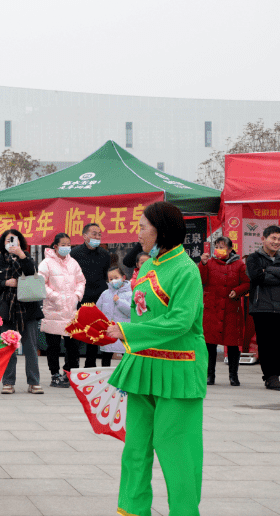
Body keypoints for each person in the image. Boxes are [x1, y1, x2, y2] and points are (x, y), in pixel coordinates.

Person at [105, 201, 206, 516]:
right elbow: (140, 314)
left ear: (161, 230)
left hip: (179, 367)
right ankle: (133, 509)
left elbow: (181, 322)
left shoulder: (186, 270)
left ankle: (184, 511)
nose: (138, 233)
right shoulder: (147, 267)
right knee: (135, 448)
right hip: (144, 365)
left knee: (175, 448)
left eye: (142, 227)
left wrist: (127, 333)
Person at [0, 229, 43, 394]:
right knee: (8, 348)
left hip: (28, 308)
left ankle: (34, 382)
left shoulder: (27, 258)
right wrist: (6, 283)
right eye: (8, 241)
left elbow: (32, 272)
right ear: (2, 244)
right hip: (6, 309)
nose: (11, 244)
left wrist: (21, 254)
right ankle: (8, 382)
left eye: (15, 241)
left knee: (31, 348)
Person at [199, 237, 250, 386]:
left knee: (233, 344)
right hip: (212, 309)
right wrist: (202, 263)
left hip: (231, 309)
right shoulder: (209, 263)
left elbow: (247, 283)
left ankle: (233, 376)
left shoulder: (239, 264)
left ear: (229, 249)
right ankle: (210, 375)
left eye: (222, 247)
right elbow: (201, 280)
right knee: (210, 344)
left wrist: (237, 291)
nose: (218, 249)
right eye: (217, 246)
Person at [38, 232, 85, 388]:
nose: (66, 247)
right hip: (53, 310)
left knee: (72, 345)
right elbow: (41, 284)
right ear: (55, 246)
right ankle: (54, 374)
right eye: (63, 245)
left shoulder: (74, 263)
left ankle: (69, 372)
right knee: (53, 346)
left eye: (68, 244)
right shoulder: (46, 263)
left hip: (71, 311)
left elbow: (81, 281)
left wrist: (77, 295)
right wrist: (56, 297)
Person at [70, 223, 111, 368]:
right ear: (85, 236)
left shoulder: (105, 254)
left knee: (94, 333)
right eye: (94, 234)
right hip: (81, 298)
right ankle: (72, 366)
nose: (97, 237)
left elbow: (105, 274)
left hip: (98, 299)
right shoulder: (74, 253)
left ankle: (90, 365)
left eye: (99, 234)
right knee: (77, 333)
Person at [245, 224, 280, 391]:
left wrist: (269, 270)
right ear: (264, 239)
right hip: (262, 307)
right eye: (273, 238)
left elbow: (264, 275)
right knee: (266, 343)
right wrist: (275, 273)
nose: (276, 242)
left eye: (279, 239)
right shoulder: (253, 258)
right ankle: (271, 377)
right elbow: (257, 277)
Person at [96, 266, 132, 358]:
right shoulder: (105, 294)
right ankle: (105, 372)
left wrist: (119, 301)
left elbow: (131, 312)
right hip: (108, 331)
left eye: (116, 278)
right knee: (106, 355)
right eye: (111, 279)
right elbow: (98, 310)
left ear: (123, 278)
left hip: (123, 331)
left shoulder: (130, 294)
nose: (114, 281)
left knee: (125, 356)